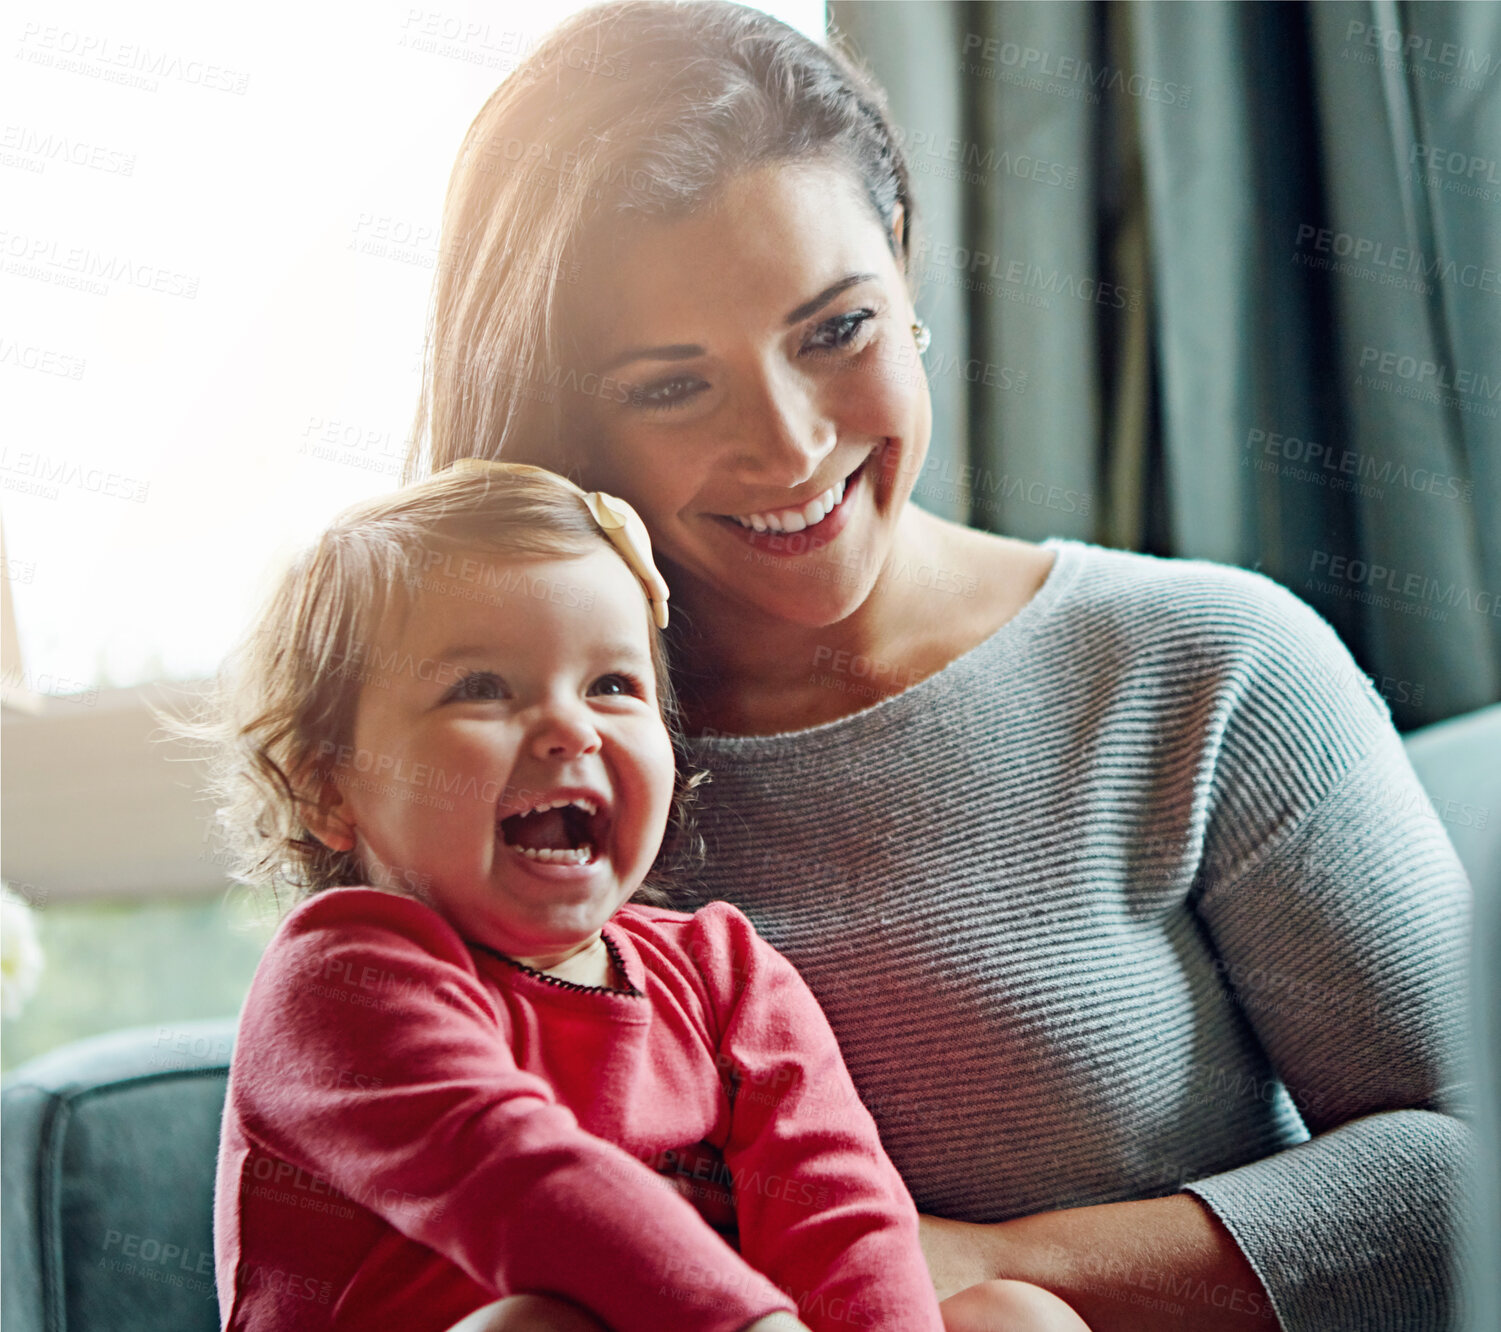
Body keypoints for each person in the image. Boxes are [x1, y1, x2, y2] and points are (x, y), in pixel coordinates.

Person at [404, 4, 1473, 1329]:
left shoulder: (1207, 670)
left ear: (904, 272)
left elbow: (1464, 1170)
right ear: (568, 410)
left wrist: (977, 1267)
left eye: (834, 329)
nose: (791, 449)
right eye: (674, 389)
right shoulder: (482, 765)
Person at [205, 461, 1088, 1332]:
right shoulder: (342, 981)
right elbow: (525, 1183)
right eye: (481, 689)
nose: (569, 727)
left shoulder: (723, 972)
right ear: (329, 791)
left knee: (1016, 1317)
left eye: (612, 686)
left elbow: (835, 1202)